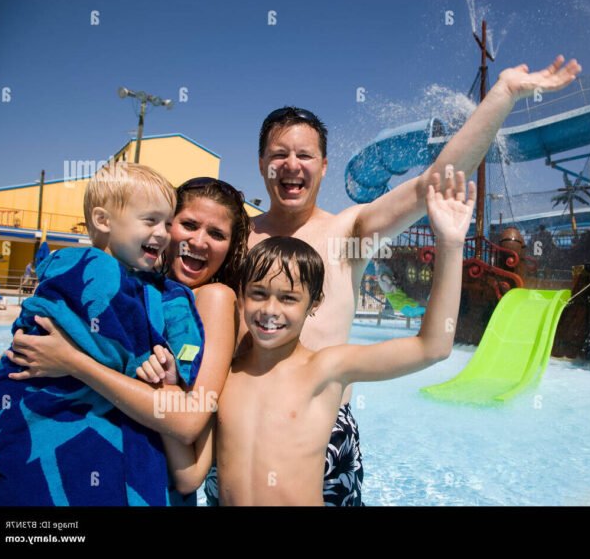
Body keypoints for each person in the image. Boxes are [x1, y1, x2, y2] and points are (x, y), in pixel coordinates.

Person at [242, 57, 580, 504]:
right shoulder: (235, 236)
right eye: (279, 154)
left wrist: (503, 95)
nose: (291, 165)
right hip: (244, 422)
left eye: (304, 155)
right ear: (262, 162)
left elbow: (434, 184)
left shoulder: (348, 233)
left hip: (324, 430)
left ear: (323, 166)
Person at [150, 175, 474, 505]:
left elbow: (432, 346)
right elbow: (189, 476)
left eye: (288, 299)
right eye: (258, 294)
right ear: (241, 297)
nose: (270, 311)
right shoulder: (225, 378)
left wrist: (449, 246)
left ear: (314, 304)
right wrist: (166, 389)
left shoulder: (326, 369)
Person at [0, 177, 250, 505]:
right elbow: (23, 350)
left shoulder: (211, 298)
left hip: (135, 484)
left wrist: (73, 363)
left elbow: (188, 421)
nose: (199, 241)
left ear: (230, 247)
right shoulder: (130, 286)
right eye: (188, 224)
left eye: (217, 234)